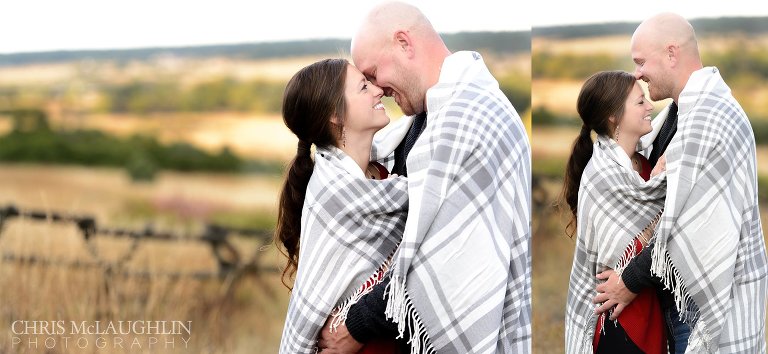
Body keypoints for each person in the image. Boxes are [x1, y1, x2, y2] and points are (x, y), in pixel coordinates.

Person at [318, 2, 532, 353]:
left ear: (404, 42)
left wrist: (355, 326)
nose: (376, 89)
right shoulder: (428, 117)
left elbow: (442, 262)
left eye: (372, 73)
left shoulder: (470, 118)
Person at [593, 13, 767, 353]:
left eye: (641, 62)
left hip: (701, 307)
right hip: (676, 304)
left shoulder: (710, 117)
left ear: (672, 53)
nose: (637, 73)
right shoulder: (678, 114)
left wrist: (628, 282)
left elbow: (682, 223)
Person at [276, 58, 410, 353]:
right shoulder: (334, 195)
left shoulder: (388, 173)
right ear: (336, 115)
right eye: (364, 87)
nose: (378, 91)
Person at [562, 70, 668, 354]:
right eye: (639, 102)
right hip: (618, 319)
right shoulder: (602, 175)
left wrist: (657, 183)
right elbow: (638, 245)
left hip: (650, 310)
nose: (650, 106)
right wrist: (660, 190)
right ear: (614, 116)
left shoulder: (646, 168)